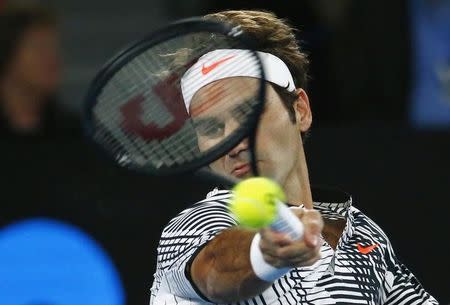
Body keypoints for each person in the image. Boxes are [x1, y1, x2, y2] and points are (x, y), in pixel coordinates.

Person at [149, 10, 438, 305]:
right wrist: (266, 253)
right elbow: (214, 271)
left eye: (248, 113)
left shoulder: (363, 234)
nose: (231, 143)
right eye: (211, 127)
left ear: (300, 110)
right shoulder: (195, 226)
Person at [0, 2, 78, 139]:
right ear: (7, 54)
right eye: (40, 48)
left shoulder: (76, 135)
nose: (54, 59)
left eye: (54, 48)